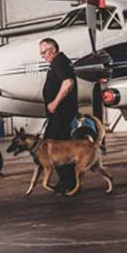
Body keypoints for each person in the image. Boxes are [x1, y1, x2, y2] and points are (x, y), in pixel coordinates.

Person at [39, 38, 78, 194]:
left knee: (57, 148)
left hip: (61, 115)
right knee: (56, 147)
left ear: (53, 49)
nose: (42, 56)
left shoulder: (60, 62)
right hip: (58, 115)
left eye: (44, 52)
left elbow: (68, 83)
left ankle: (68, 182)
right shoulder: (57, 63)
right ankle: (66, 181)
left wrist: (54, 103)